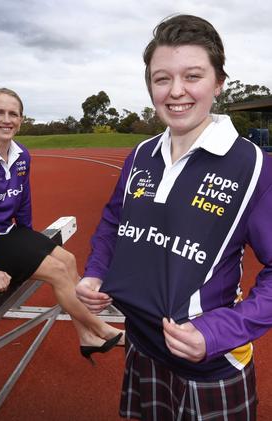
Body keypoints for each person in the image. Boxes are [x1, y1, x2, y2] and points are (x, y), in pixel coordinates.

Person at [76, 14, 272, 420]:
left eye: (193, 76)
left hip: (209, 364)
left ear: (218, 83)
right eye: (162, 78)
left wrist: (218, 333)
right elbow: (115, 221)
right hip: (142, 345)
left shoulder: (255, 168)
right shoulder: (140, 156)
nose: (176, 91)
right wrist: (96, 271)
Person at [0, 87, 123, 364]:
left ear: (21, 119)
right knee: (58, 272)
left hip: (4, 233)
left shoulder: (22, 155)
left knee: (67, 259)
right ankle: (99, 328)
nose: (6, 119)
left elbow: (23, 201)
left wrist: (31, 242)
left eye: (13, 114)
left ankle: (86, 337)